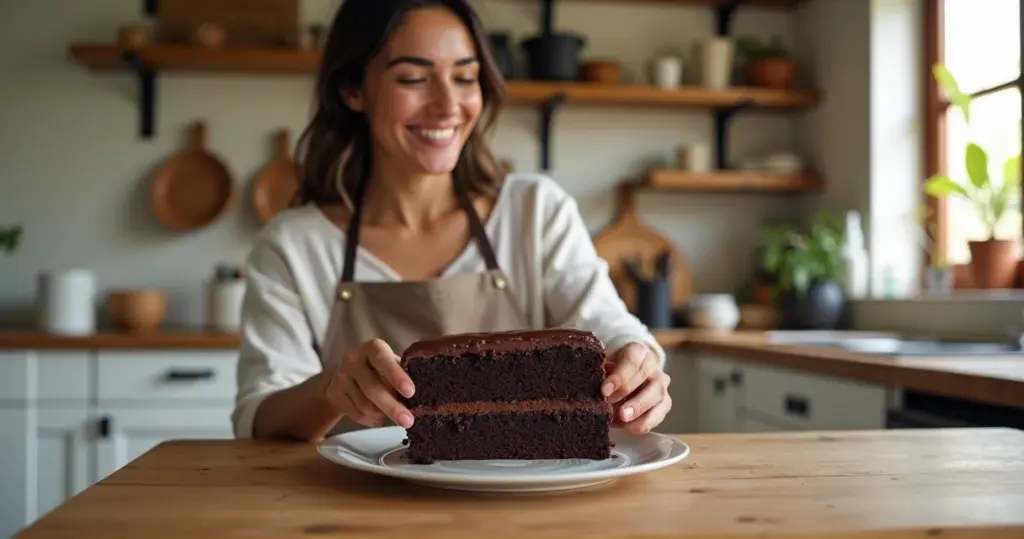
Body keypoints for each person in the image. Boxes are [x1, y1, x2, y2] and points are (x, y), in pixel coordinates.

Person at [231, 0, 672, 443]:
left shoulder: (535, 212)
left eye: (464, 78)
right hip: (352, 490)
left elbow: (610, 325)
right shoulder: (293, 245)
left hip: (524, 487)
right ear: (353, 90)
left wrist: (638, 363)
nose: (447, 106)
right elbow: (258, 419)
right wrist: (329, 387)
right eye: (413, 78)